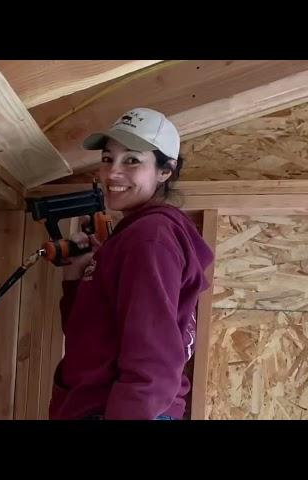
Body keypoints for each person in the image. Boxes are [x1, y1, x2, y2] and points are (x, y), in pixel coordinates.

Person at [48, 107, 214, 420]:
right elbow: (88, 336)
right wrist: (76, 277)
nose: (113, 173)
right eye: (108, 158)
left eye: (132, 160)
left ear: (165, 170)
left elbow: (153, 357)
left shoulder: (150, 238)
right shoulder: (133, 238)